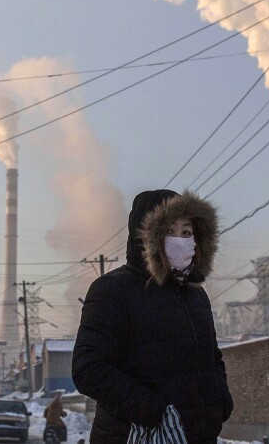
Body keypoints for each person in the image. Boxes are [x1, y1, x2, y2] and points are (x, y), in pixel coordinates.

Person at [72, 189, 233, 443]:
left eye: (187, 232)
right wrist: (154, 411)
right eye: (169, 232)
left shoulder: (195, 296)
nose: (180, 240)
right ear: (147, 237)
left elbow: (212, 359)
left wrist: (220, 401)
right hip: (133, 436)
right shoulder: (113, 290)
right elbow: (89, 370)